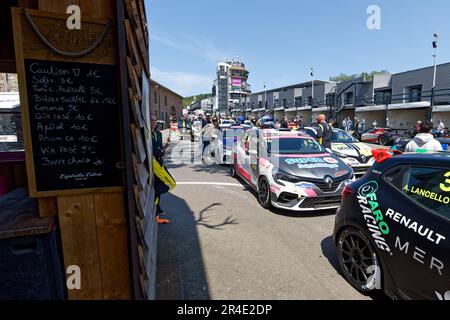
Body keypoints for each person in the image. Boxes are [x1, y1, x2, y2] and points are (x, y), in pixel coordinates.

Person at [151, 114, 172, 224]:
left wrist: (166, 146)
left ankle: (157, 208)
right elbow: (155, 151)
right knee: (167, 184)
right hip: (153, 166)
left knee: (160, 186)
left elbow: (159, 148)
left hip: (159, 163)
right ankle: (155, 211)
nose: (153, 122)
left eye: (155, 120)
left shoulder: (158, 134)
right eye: (151, 120)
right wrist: (161, 152)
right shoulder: (148, 134)